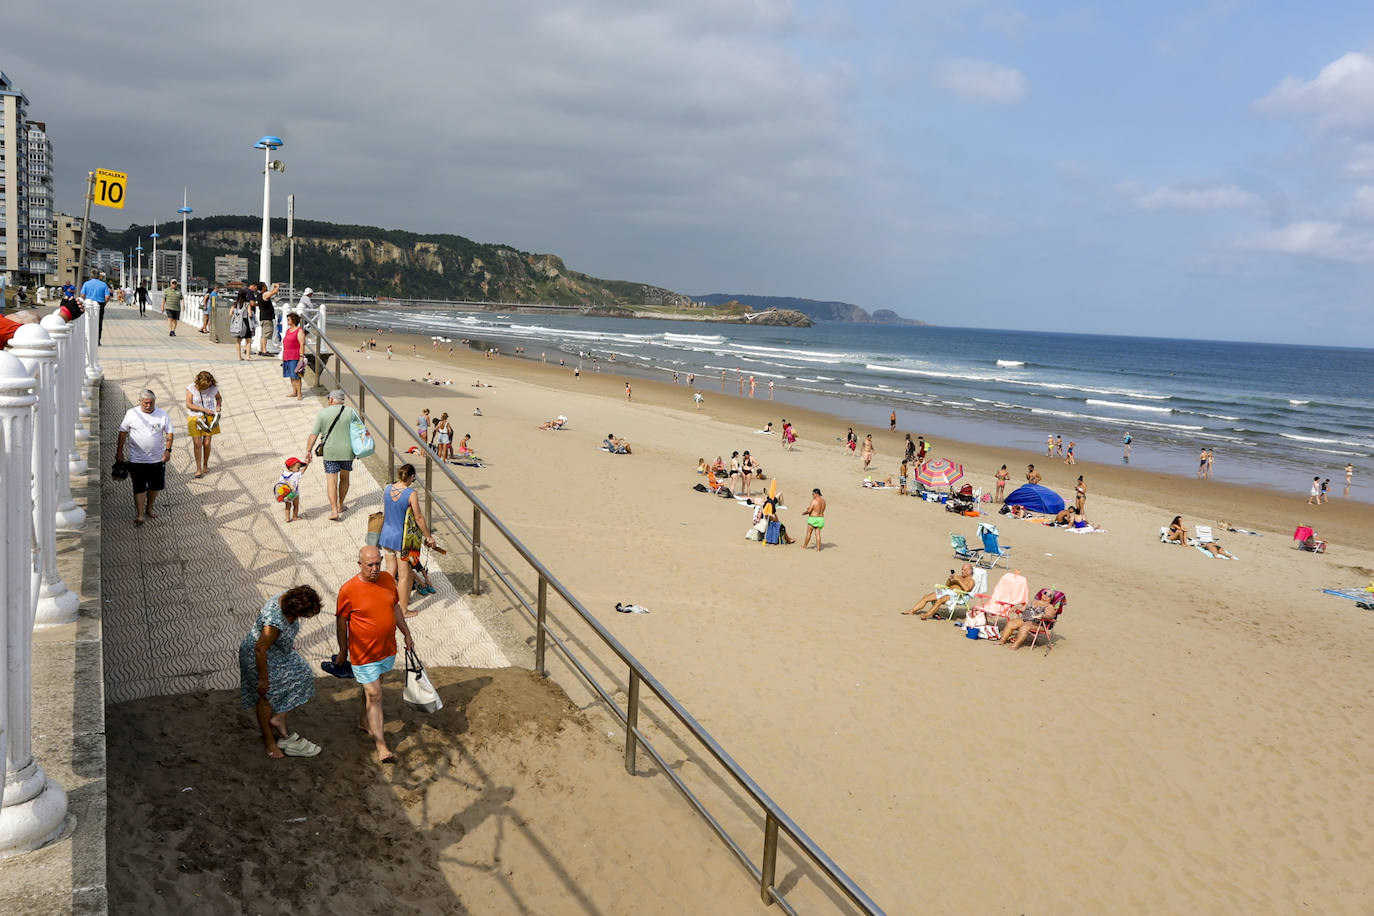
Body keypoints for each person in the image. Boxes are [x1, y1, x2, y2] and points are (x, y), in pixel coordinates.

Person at [335, 546, 416, 764]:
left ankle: (363, 722)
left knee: (373, 690)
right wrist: (343, 650)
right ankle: (382, 747)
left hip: (386, 649)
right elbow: (341, 621)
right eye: (370, 565)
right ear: (359, 564)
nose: (374, 568)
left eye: (378, 563)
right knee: (375, 695)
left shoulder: (388, 581)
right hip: (363, 654)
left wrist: (407, 634)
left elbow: (395, 608)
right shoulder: (348, 590)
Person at [239, 585, 324, 758]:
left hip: (278, 651)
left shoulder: (288, 597)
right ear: (295, 611)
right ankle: (270, 742)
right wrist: (263, 679)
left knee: (304, 674)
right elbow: (259, 649)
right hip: (259, 655)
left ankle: (279, 718)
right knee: (265, 696)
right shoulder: (275, 622)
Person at [378, 463, 438, 618]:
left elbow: (384, 512)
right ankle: (403, 610)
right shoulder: (411, 494)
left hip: (386, 534)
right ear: (411, 477)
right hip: (401, 540)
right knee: (404, 575)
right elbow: (418, 518)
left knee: (390, 570)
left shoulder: (387, 488)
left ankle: (382, 601)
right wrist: (428, 536)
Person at [115, 389, 174, 526]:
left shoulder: (162, 414)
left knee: (155, 487)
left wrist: (168, 450)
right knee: (139, 487)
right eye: (145, 403)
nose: (148, 406)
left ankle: (149, 508)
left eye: (151, 403)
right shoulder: (131, 414)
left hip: (157, 459)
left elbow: (169, 434)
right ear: (139, 401)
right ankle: (140, 514)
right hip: (137, 460)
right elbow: (123, 433)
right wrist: (119, 452)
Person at [303, 390, 362, 522]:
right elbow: (360, 430)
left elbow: (314, 434)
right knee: (345, 478)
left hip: (330, 452)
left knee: (332, 481)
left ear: (331, 399)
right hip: (347, 451)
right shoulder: (351, 412)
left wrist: (308, 450)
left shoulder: (323, 413)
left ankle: (334, 510)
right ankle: (341, 504)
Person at [185, 370, 222, 478]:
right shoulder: (191, 388)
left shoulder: (213, 388)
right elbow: (188, 404)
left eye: (209, 385)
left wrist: (218, 406)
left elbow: (219, 398)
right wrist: (203, 409)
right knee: (197, 444)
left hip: (209, 417)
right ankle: (198, 468)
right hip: (195, 417)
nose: (207, 388)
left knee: (207, 442)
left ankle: (205, 464)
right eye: (205, 386)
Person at [998, 589, 1065, 649]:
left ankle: (1014, 646)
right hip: (1024, 619)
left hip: (1039, 624)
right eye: (1045, 593)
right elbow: (1023, 609)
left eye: (1049, 595)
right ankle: (1002, 640)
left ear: (1052, 598)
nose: (1046, 596)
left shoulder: (1049, 607)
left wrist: (1042, 616)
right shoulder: (1032, 601)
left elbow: (1050, 616)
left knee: (1025, 626)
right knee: (1011, 623)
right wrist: (1016, 607)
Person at [904, 563, 976, 618]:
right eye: (962, 569)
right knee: (926, 597)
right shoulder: (959, 577)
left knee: (940, 600)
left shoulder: (971, 581)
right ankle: (912, 611)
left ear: (970, 571)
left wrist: (958, 580)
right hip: (946, 590)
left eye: (965, 570)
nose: (963, 571)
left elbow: (967, 589)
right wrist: (950, 579)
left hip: (957, 595)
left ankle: (927, 614)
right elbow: (947, 585)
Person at [281, 313, 308, 399]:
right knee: (290, 374)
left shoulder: (299, 331)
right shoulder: (288, 330)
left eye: (289, 319)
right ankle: (294, 391)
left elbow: (302, 344)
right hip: (287, 355)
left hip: (295, 355)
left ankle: (299, 393)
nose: (287, 321)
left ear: (293, 320)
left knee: (296, 375)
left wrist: (301, 356)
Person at [80, 270, 112, 343]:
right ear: (99, 276)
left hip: (88, 304)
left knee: (87, 321)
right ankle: (97, 340)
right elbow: (107, 297)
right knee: (99, 322)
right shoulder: (103, 284)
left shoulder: (86, 284)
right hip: (100, 304)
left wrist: (85, 300)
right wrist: (104, 304)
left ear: (91, 275)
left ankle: (88, 338)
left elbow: (82, 295)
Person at [276, 457, 306, 522]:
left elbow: (280, 482)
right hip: (294, 493)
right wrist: (308, 464)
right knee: (296, 505)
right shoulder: (296, 474)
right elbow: (303, 471)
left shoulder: (284, 474)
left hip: (286, 493)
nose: (299, 469)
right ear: (291, 468)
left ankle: (287, 518)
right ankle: (295, 517)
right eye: (298, 468)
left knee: (287, 506)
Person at [255, 281, 281, 356]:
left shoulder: (259, 296)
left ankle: (262, 349)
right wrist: (277, 286)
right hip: (266, 318)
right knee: (265, 335)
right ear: (263, 287)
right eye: (265, 286)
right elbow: (273, 292)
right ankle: (264, 350)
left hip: (263, 317)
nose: (266, 287)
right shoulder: (264, 294)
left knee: (263, 334)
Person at [230, 289, 256, 360]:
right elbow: (250, 314)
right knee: (248, 340)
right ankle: (248, 356)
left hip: (238, 323)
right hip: (245, 323)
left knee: (238, 340)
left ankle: (239, 357)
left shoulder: (235, 304)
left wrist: (237, 316)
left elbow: (230, 313)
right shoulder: (247, 304)